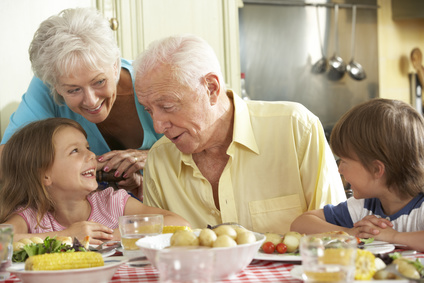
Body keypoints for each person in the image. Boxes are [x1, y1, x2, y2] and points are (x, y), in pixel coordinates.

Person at [132, 34, 346, 233]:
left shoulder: (296, 128)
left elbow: (335, 236)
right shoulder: (160, 159)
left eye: (168, 106)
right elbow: (160, 253)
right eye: (149, 110)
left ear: (211, 89)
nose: (158, 127)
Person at [0, 8, 162, 199]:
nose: (91, 101)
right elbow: (6, 162)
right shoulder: (47, 86)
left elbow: (203, 146)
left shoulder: (155, 81)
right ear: (56, 86)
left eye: (99, 81)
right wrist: (91, 167)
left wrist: (154, 157)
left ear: (115, 66)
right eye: (73, 90)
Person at [0, 118, 190, 245]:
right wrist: (66, 236)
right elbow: (2, 240)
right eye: (75, 151)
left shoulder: (112, 202)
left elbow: (179, 223)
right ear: (44, 175)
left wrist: (109, 235)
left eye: (88, 147)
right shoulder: (33, 216)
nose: (91, 155)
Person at [290, 98, 424, 252]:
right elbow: (300, 224)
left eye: (344, 161)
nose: (339, 170)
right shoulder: (364, 207)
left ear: (376, 169)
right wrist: (350, 233)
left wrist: (392, 236)